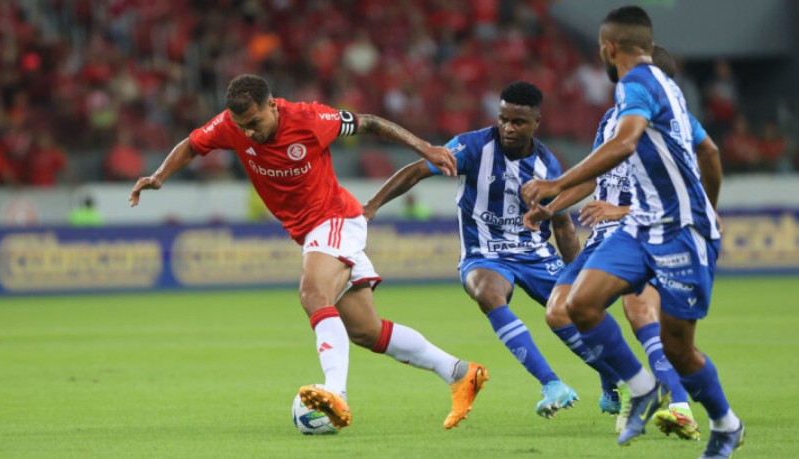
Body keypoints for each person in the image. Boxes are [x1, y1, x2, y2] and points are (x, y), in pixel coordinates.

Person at [129, 74, 487, 431]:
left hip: (335, 218)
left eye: (254, 123)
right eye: (243, 126)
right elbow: (192, 144)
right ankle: (459, 372)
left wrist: (425, 148)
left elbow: (371, 123)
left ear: (272, 104)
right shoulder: (230, 126)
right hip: (312, 232)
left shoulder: (311, 120)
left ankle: (336, 394)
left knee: (313, 294)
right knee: (366, 331)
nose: (249, 133)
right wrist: (160, 175)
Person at [521, 7, 744, 457]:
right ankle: (642, 388)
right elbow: (710, 151)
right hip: (640, 226)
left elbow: (625, 145)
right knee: (578, 304)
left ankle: (726, 424)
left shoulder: (635, 84)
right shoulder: (671, 93)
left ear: (609, 48)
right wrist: (712, 205)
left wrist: (556, 183)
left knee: (680, 349)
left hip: (682, 233)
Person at [363, 81, 582, 419]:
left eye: (518, 122)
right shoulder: (471, 147)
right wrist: (373, 204)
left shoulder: (548, 166)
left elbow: (564, 226)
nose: (508, 128)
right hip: (484, 253)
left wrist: (579, 275)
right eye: (503, 119)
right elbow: (419, 170)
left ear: (537, 123)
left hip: (534, 253)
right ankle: (551, 383)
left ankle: (617, 386)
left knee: (577, 314)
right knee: (488, 292)